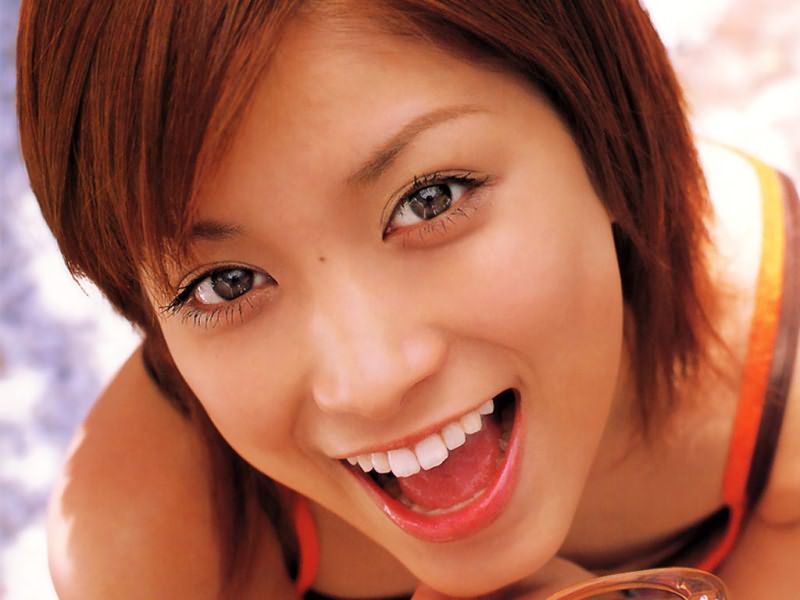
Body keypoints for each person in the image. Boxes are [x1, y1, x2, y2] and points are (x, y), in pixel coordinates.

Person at [15, 1, 800, 598]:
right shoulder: (155, 547)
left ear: (604, 131)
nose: (370, 380)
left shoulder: (783, 404)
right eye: (228, 283)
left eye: (430, 198)